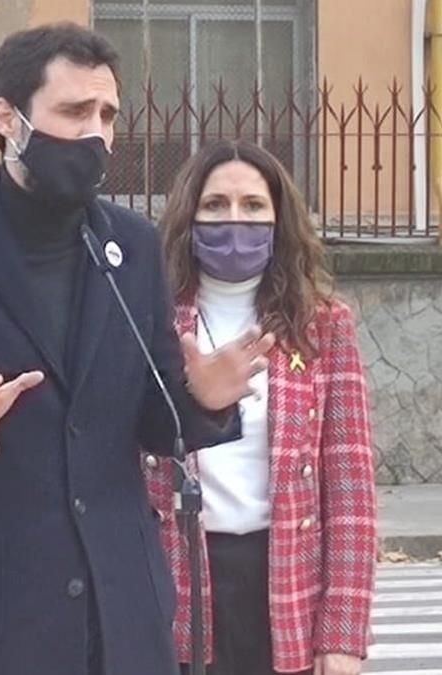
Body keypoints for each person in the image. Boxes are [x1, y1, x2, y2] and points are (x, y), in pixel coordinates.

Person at [0, 23, 276, 675]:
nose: (96, 133)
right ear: (8, 119)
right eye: (74, 112)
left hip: (123, 623)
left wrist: (202, 403)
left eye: (107, 115)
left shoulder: (130, 248)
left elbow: (153, 419)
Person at [146, 140, 376, 675]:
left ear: (279, 218)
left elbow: (350, 489)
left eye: (253, 206)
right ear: (189, 216)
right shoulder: (151, 320)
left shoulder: (321, 325)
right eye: (215, 205)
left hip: (283, 585)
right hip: (174, 578)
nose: (235, 220)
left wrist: (342, 633)